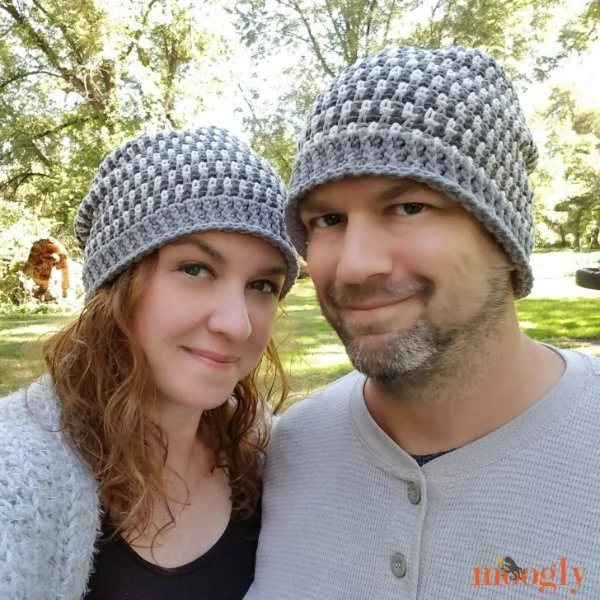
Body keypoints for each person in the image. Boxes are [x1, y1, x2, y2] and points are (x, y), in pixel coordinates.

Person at [246, 46, 600, 599]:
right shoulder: (287, 454)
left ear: (504, 241)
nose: (356, 264)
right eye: (328, 219)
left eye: (409, 207)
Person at [0, 126, 298, 600]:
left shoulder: (271, 458)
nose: (236, 324)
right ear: (117, 290)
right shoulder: (15, 477)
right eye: (196, 269)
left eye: (262, 285)